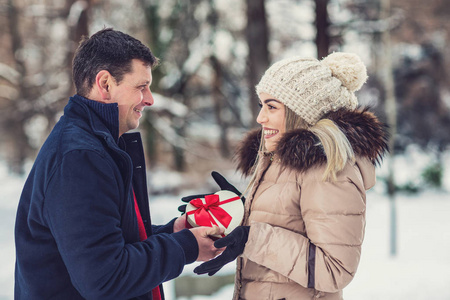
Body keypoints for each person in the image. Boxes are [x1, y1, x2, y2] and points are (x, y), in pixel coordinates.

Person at [14, 28, 223, 300]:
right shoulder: (80, 157)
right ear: (105, 84)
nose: (149, 99)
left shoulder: (95, 145)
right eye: (141, 87)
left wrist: (172, 232)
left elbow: (105, 242)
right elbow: (105, 278)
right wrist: (184, 247)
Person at [192, 52, 388, 299]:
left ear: (302, 112)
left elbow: (335, 269)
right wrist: (239, 209)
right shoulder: (279, 161)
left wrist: (251, 239)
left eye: (272, 106)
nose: (260, 117)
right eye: (261, 105)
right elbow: (285, 222)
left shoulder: (327, 170)